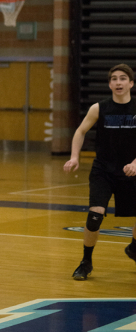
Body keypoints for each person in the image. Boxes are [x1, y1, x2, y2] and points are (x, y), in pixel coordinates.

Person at [64, 63, 136, 280]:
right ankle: (86, 262)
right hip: (103, 170)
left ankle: (134, 247)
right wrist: (74, 156)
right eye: (114, 78)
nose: (118, 82)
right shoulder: (99, 108)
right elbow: (80, 131)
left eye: (123, 78)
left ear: (131, 83)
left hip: (131, 171)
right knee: (95, 216)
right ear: (109, 84)